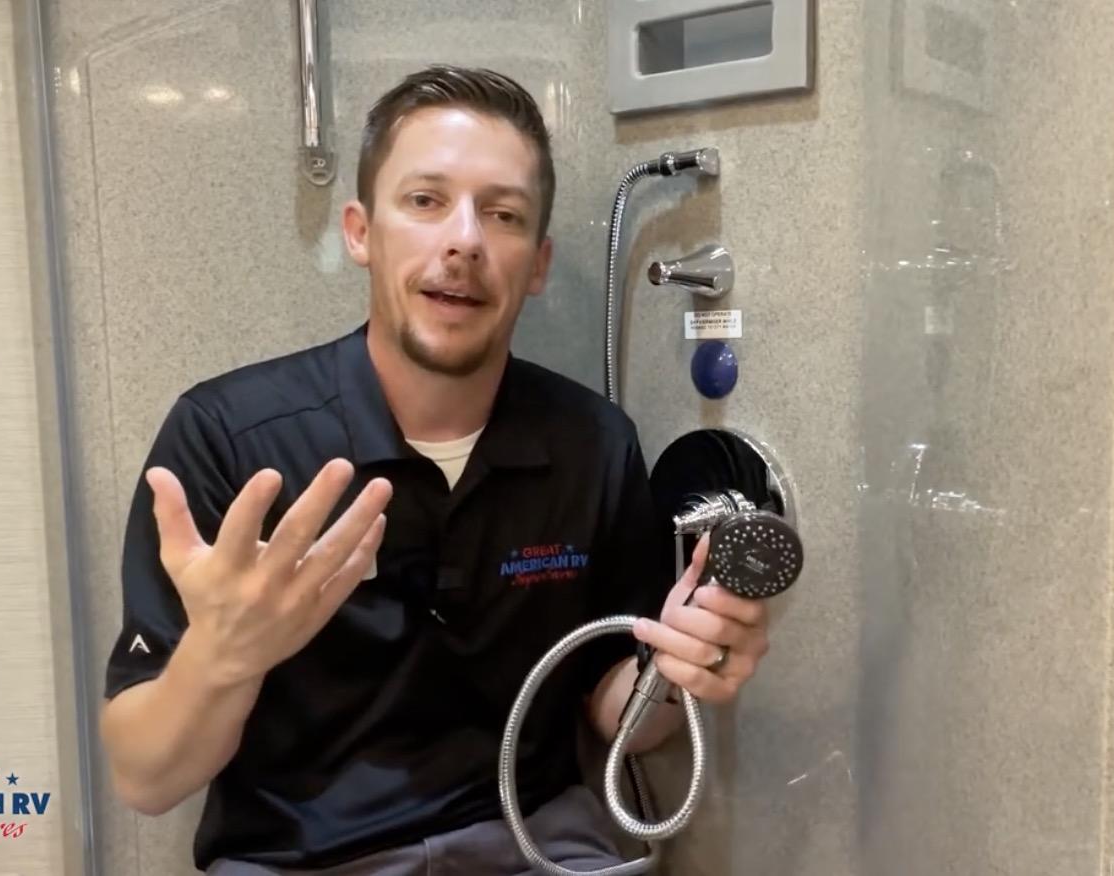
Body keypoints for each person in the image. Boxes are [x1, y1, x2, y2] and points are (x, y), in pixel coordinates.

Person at [97, 64, 774, 875]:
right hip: (306, 860)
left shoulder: (592, 444)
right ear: (360, 233)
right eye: (425, 201)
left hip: (533, 847)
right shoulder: (232, 440)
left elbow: (616, 713)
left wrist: (678, 670)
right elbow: (145, 778)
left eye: (503, 214)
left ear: (537, 264)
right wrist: (225, 656)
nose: (465, 241)